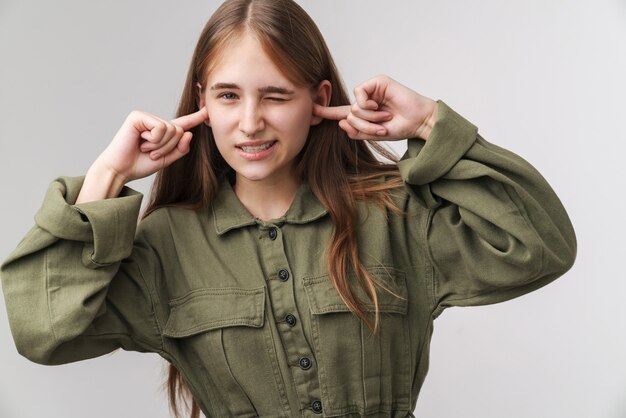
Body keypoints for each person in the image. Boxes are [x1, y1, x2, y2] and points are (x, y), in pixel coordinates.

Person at [0, 0, 577, 417]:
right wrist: (109, 174)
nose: (250, 121)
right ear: (202, 101)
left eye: (276, 95)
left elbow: (540, 246)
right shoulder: (164, 245)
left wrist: (428, 123)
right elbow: (42, 333)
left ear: (318, 100)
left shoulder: (395, 217)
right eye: (228, 95)